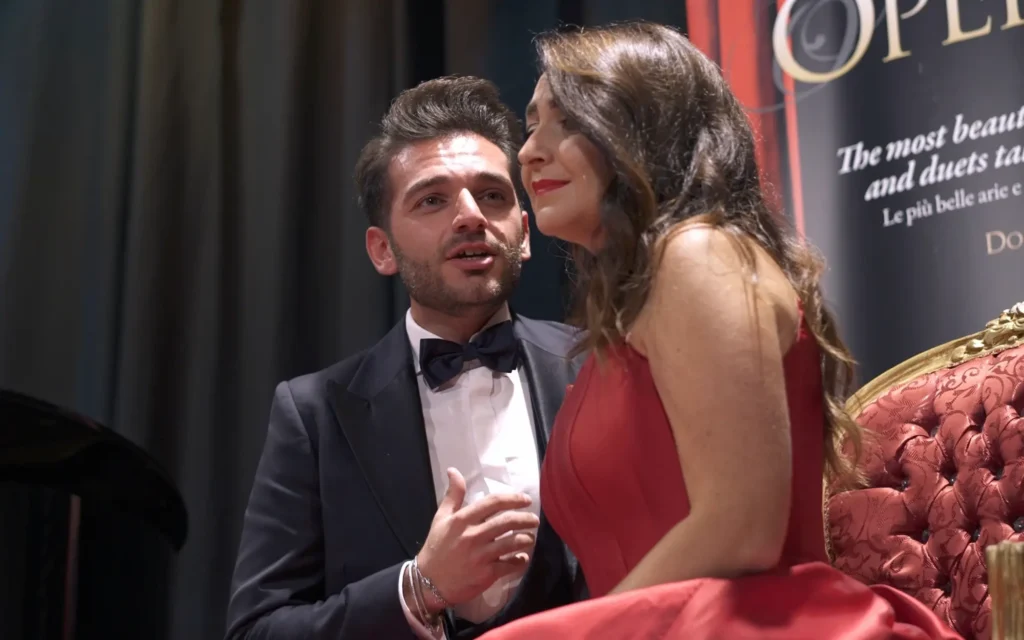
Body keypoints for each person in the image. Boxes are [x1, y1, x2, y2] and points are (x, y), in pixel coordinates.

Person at [478, 22, 963, 640]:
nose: (529, 151)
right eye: (530, 125)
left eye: (566, 121)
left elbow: (742, 527)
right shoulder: (633, 308)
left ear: (644, 127)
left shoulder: (697, 254)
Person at [225, 76, 586, 640]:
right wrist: (419, 586)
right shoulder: (314, 415)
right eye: (432, 200)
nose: (470, 215)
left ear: (524, 235)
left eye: (493, 194)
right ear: (382, 249)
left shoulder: (597, 366)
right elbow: (256, 631)